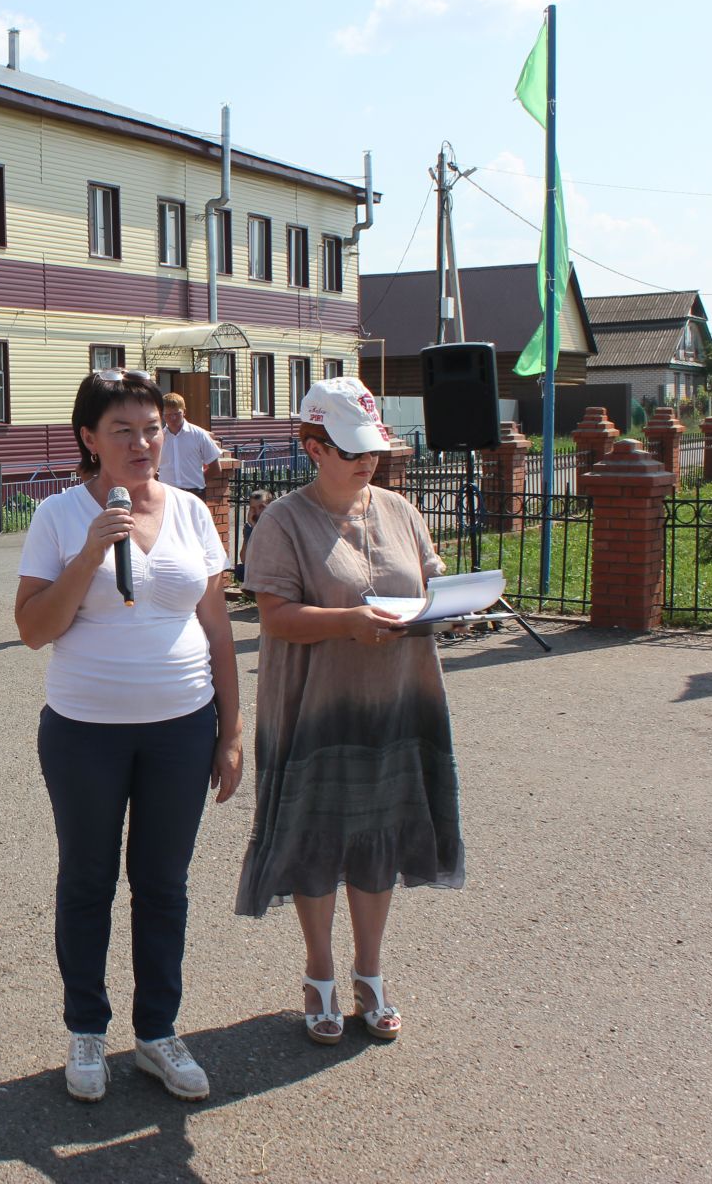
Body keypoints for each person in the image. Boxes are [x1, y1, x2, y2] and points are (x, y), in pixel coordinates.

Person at [14, 368, 243, 1105]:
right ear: (89, 439)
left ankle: (157, 1033)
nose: (143, 443)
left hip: (181, 726)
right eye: (124, 430)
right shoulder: (57, 516)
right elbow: (32, 630)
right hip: (86, 732)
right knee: (87, 881)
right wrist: (89, 553)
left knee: (163, 885)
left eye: (151, 428)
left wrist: (232, 731)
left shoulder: (190, 513)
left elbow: (217, 629)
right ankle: (87, 1029)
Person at [234, 377, 464, 1045]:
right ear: (313, 447)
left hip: (396, 702)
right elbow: (274, 618)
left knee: (380, 841)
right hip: (317, 707)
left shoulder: (398, 508)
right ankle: (320, 972)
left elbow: (427, 574)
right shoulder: (283, 521)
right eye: (352, 450)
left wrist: (452, 600)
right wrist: (346, 622)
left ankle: (371, 972)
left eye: (373, 448)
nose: (369, 461)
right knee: (316, 843)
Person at [156, 393, 223, 495]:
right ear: (162, 415)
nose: (173, 418)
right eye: (168, 414)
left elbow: (215, 468)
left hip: (194, 492)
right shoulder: (158, 437)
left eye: (177, 413)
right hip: (168, 494)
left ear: (184, 412)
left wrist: (198, 482)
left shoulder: (199, 435)